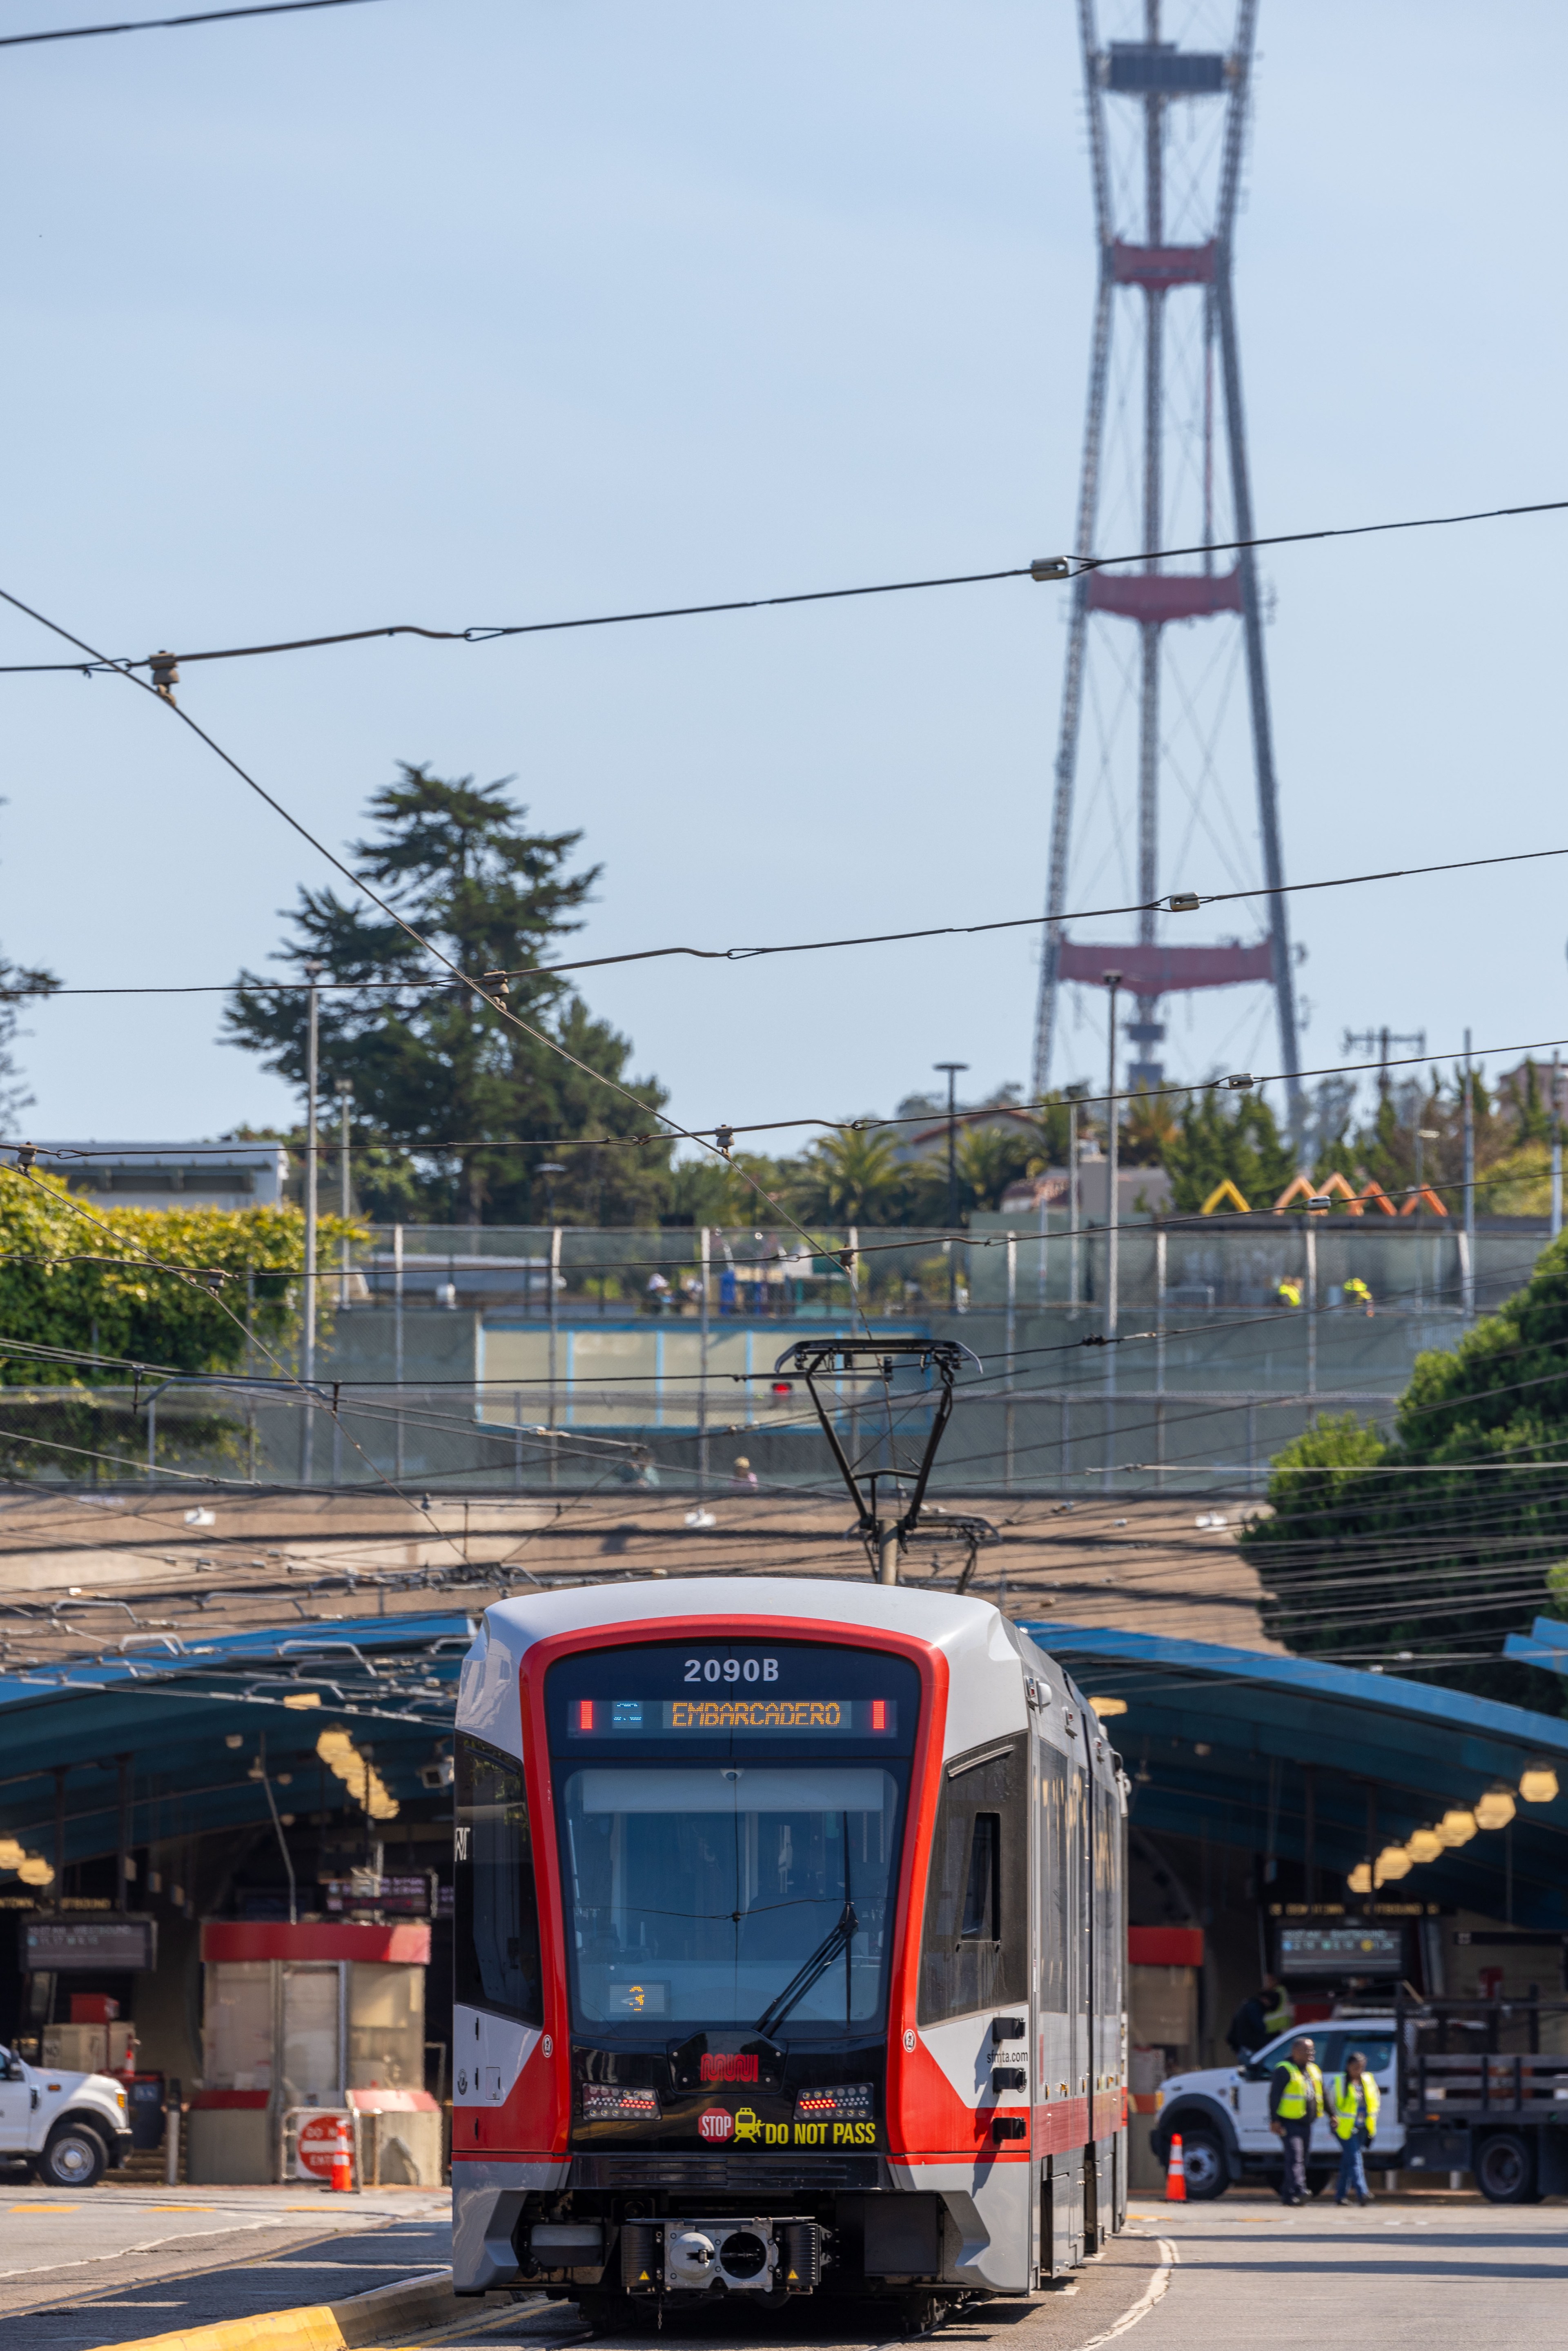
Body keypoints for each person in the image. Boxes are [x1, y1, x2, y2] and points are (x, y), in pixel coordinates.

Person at [1269, 2035, 1324, 2205]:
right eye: (1307, 2050)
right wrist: (1275, 2120)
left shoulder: (1313, 2070)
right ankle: (1301, 2190)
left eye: (1313, 2050)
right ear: (1295, 2052)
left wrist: (1333, 2114)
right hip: (1289, 2123)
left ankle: (1288, 2195)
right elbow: (1274, 2096)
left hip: (1306, 2123)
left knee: (1302, 2160)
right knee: (1295, 2158)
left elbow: (1323, 2093)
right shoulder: (1284, 2070)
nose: (1312, 2053)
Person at [1329, 2050, 1380, 2206]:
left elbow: (1376, 2099)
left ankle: (1340, 2196)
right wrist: (1334, 2118)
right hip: (1344, 2127)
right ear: (1348, 2067)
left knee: (1348, 2160)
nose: (1359, 2071)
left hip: (1362, 2127)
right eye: (1356, 2067)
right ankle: (1362, 2192)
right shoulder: (1339, 2082)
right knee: (1356, 2159)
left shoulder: (1368, 2080)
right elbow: (1330, 2103)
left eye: (1362, 2067)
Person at [1226, 1973, 1292, 2060]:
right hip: (1250, 2050)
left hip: (1245, 2049)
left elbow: (1232, 2034)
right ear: (1266, 2000)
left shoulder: (1248, 2005)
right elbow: (1261, 2028)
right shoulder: (1255, 2008)